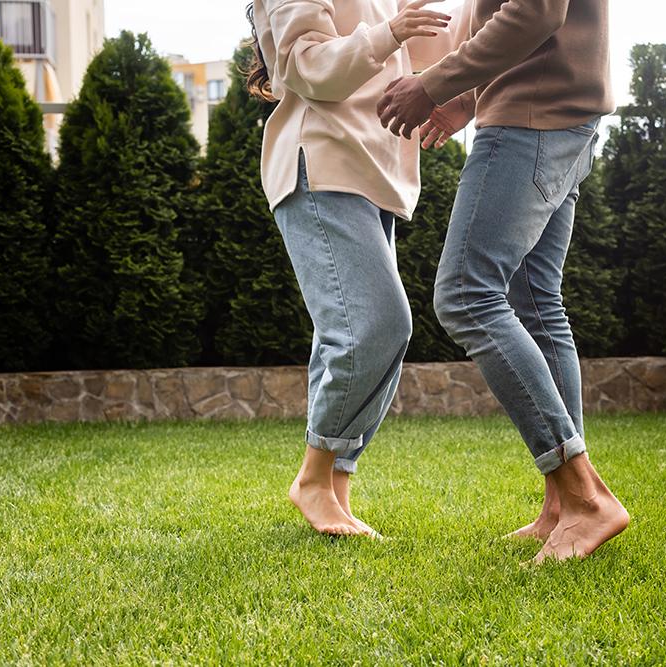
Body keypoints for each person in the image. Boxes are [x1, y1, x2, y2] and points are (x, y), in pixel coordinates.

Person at [377, 0, 629, 562]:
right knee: (537, 304)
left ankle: (586, 496)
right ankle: (563, 506)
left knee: (466, 296)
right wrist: (465, 98)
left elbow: (535, 13)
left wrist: (433, 84)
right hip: (560, 119)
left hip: (531, 123)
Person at [246, 0, 460, 537]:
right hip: (322, 159)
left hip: (377, 173)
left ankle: (335, 488)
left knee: (347, 336)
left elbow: (434, 43)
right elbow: (305, 65)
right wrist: (388, 32)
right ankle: (314, 480)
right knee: (376, 327)